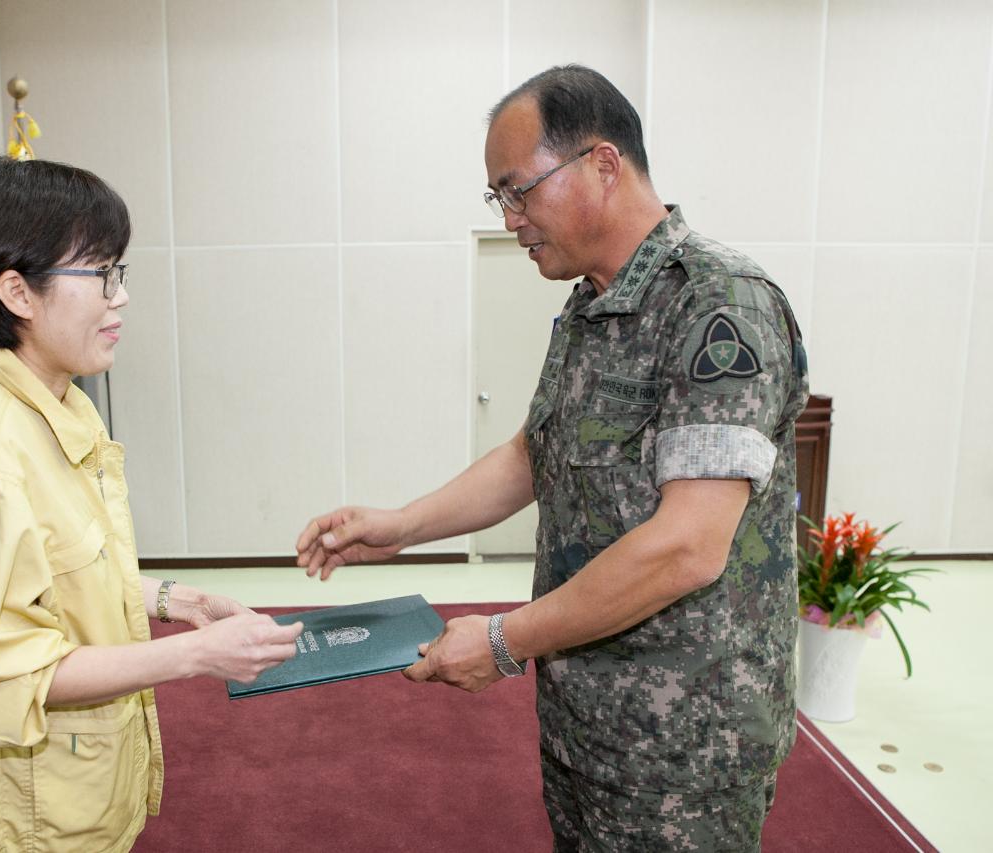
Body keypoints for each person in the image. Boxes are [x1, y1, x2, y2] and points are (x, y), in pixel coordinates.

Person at [296, 65, 808, 851]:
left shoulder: (718, 304)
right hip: (585, 721)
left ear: (603, 165)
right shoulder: (587, 310)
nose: (511, 220)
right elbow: (536, 456)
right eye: (498, 198)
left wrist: (502, 640)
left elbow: (688, 545)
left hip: (684, 747)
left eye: (518, 190)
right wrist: (401, 525)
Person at [0, 154, 303, 852]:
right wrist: (200, 654)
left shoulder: (58, 403)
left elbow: (59, 574)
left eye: (121, 273)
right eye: (101, 274)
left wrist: (176, 600)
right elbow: (15, 668)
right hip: (15, 820)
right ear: (18, 293)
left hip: (66, 791)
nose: (120, 297)